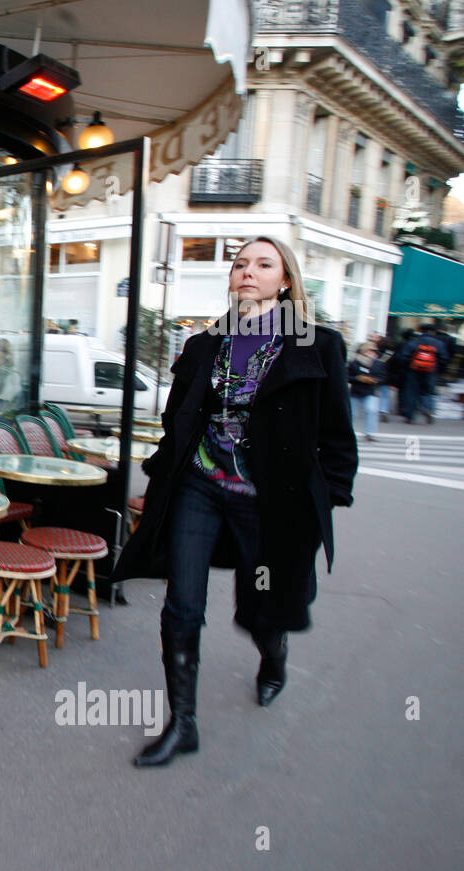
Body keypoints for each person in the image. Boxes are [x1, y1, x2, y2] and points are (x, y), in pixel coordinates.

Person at [113, 236, 357, 767]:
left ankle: (274, 657)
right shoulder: (207, 345)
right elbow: (180, 418)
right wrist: (161, 471)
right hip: (200, 489)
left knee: (264, 612)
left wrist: (327, 500)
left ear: (284, 280)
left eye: (263, 264)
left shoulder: (317, 346)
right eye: (241, 264)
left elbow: (337, 435)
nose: (248, 272)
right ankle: (184, 723)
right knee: (182, 605)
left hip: (270, 503)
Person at [398, 322, 449, 423]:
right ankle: (428, 409)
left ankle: (410, 416)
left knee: (411, 393)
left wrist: (408, 367)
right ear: (433, 332)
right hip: (430, 371)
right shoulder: (438, 343)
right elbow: (444, 358)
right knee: (428, 392)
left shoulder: (414, 342)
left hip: (413, 371)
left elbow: (403, 357)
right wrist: (437, 368)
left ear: (421, 331)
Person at [347, 341, 384, 442]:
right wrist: (357, 378)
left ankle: (369, 433)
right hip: (356, 391)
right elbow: (347, 377)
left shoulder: (378, 364)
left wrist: (374, 380)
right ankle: (348, 433)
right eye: (369, 350)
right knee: (352, 413)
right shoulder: (354, 363)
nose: (372, 353)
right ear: (363, 351)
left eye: (373, 351)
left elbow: (382, 377)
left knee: (371, 410)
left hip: (370, 391)